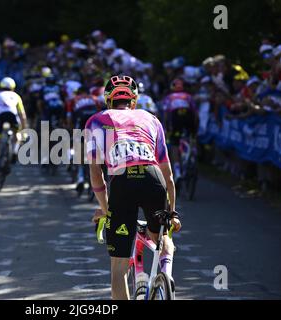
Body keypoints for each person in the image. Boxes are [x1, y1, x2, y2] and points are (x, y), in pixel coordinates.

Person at [85, 76, 181, 300]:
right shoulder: (151, 119)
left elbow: (95, 173)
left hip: (122, 182)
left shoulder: (96, 120)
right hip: (153, 177)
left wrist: (106, 209)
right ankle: (166, 275)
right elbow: (168, 174)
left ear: (108, 100)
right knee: (163, 236)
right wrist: (172, 212)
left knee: (118, 269)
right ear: (134, 100)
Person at [0, 77, 27, 179]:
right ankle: (15, 151)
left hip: (0, 117)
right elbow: (22, 115)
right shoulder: (16, 96)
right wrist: (24, 131)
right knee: (17, 134)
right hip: (12, 116)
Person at [162, 78, 199, 182]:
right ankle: (193, 152)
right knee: (191, 136)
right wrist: (195, 129)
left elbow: (165, 114)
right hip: (189, 117)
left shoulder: (169, 97)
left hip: (176, 118)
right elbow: (196, 114)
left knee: (175, 144)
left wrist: (166, 127)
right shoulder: (188, 97)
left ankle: (177, 171)